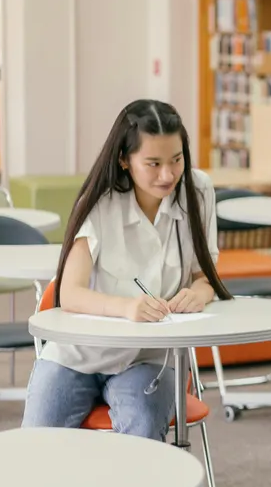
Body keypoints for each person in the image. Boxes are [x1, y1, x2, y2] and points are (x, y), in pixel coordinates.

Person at [21, 99, 230, 440]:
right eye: (153, 163)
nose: (168, 174)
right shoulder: (100, 199)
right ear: (124, 160)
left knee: (142, 437)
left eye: (176, 160)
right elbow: (69, 293)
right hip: (78, 353)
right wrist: (127, 308)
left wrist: (199, 294)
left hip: (149, 359)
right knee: (36, 444)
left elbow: (205, 276)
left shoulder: (198, 191)